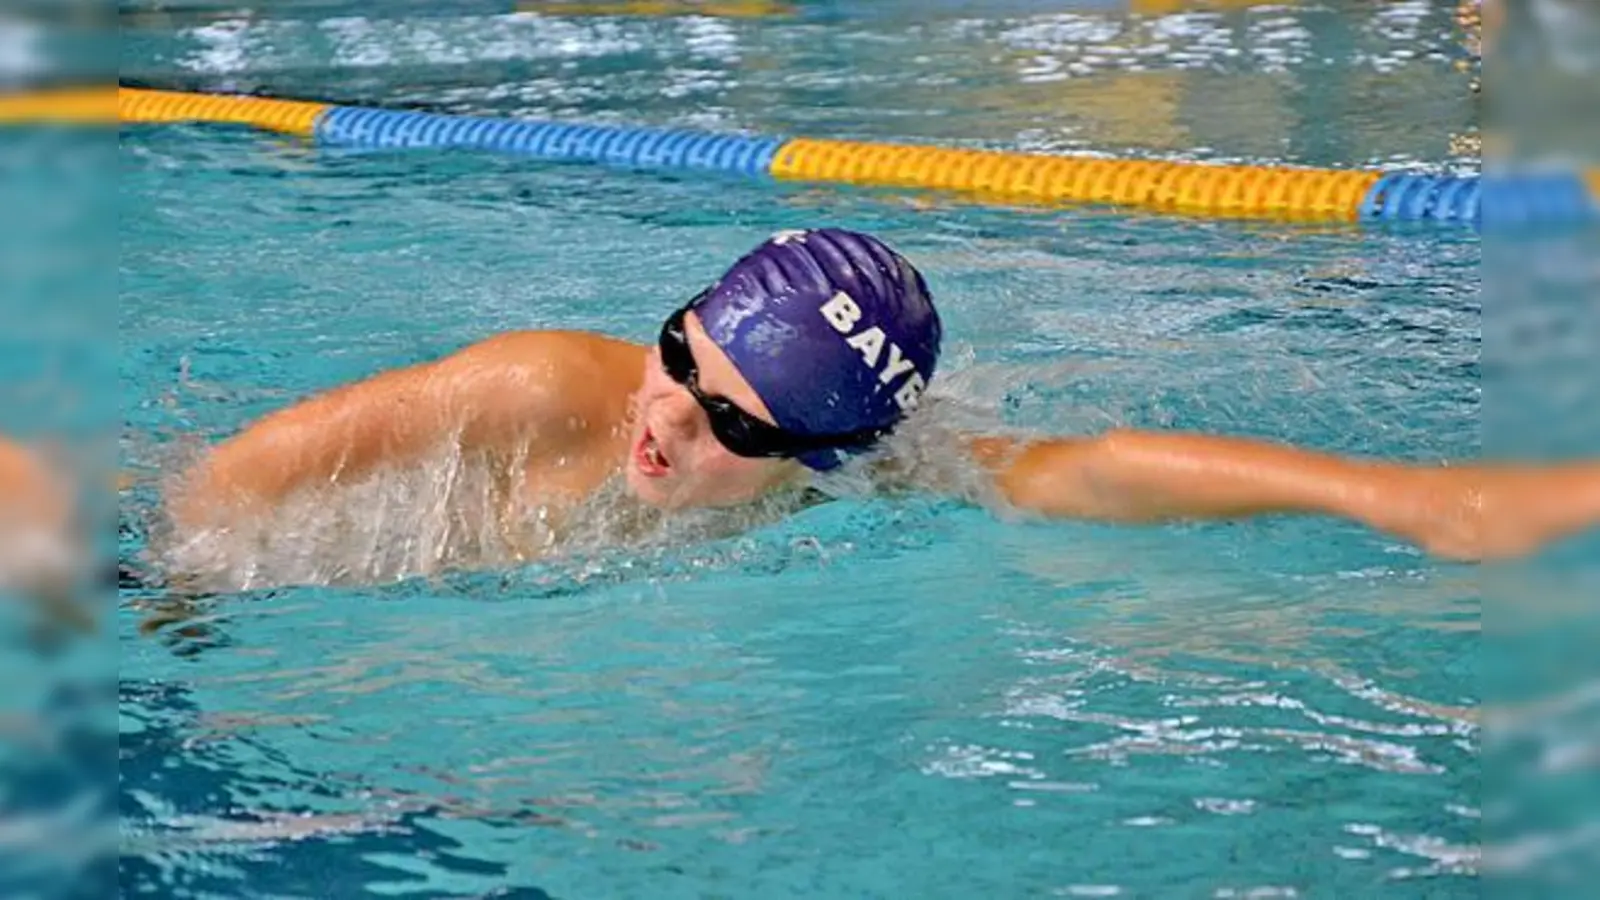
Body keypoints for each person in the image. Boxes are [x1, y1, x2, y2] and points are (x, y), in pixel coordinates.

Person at [165, 227, 1596, 574]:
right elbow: (228, 484)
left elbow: (1093, 470)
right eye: (681, 354)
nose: (664, 418)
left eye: (734, 422)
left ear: (833, 457)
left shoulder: (883, 465)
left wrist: (1402, 499)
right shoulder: (536, 387)